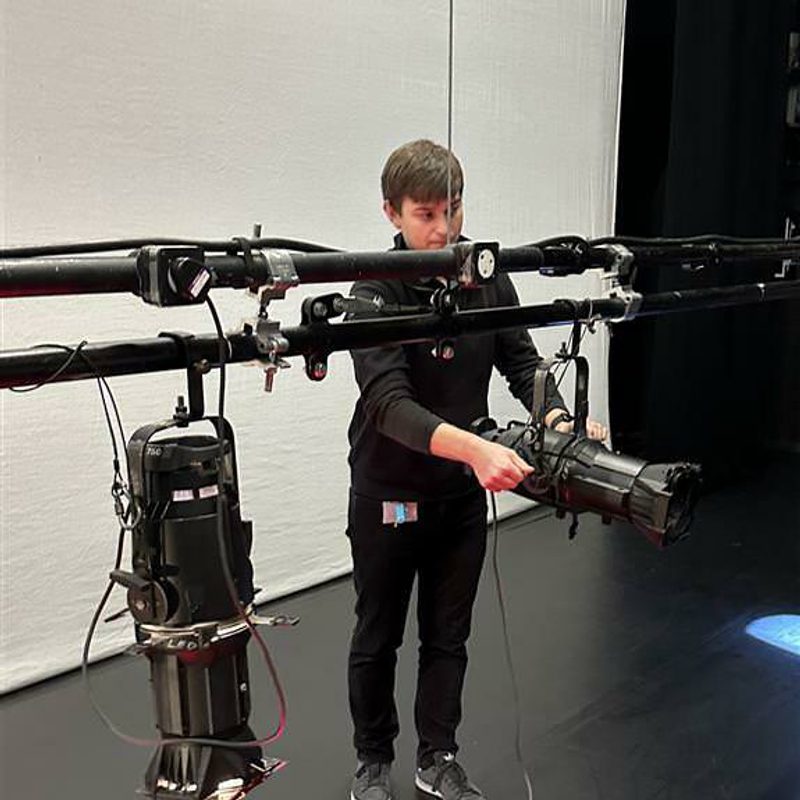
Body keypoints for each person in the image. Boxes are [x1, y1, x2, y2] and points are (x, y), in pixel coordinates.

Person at [346, 139, 607, 800]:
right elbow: (387, 403)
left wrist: (555, 421)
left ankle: (437, 758)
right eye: (426, 214)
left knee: (449, 636)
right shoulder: (373, 286)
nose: (444, 229)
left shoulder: (485, 273)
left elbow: (522, 362)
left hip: (459, 495)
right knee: (378, 635)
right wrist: (476, 449)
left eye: (452, 211)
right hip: (391, 496)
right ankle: (373, 762)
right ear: (392, 213)